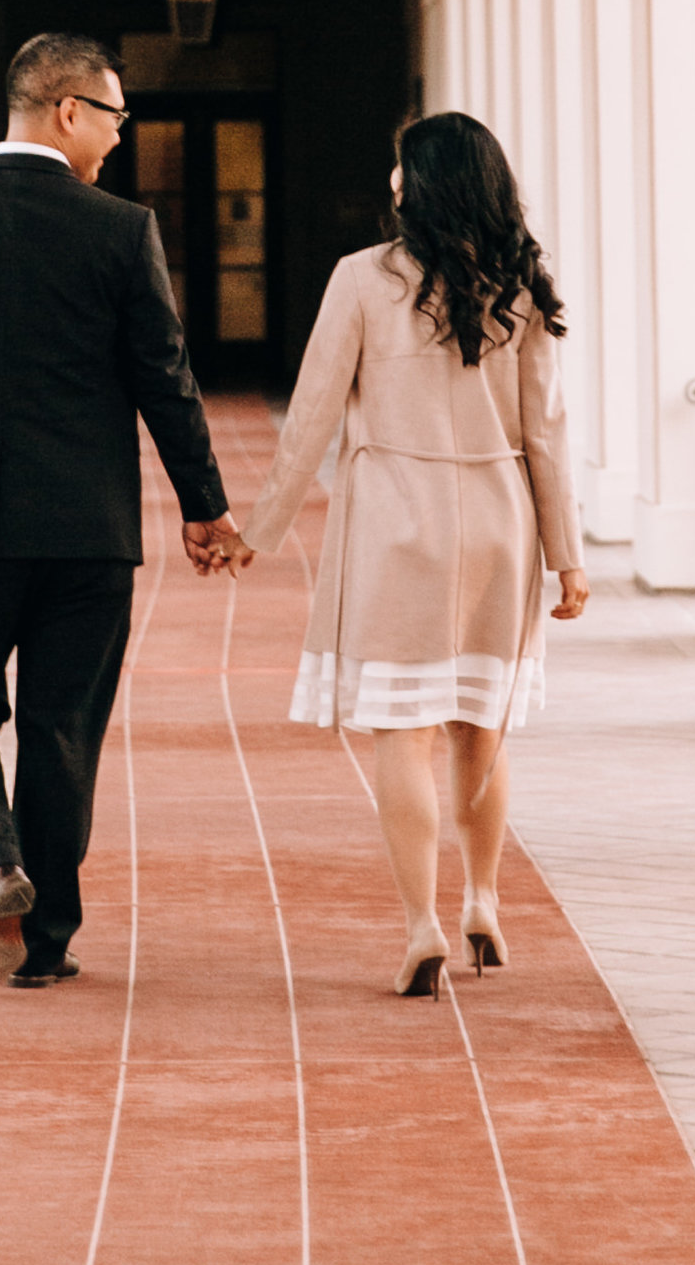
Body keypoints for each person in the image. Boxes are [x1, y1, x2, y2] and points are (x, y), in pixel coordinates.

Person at [0, 30, 250, 986]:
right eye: (116, 116)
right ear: (69, 110)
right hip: (87, 530)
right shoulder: (120, 231)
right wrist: (204, 505)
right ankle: (45, 944)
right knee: (61, 728)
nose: (121, 137)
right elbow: (166, 377)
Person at [237, 111, 589, 998]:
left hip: (399, 527)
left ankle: (420, 924)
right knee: (482, 724)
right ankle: (482, 900)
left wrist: (260, 529)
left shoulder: (362, 279)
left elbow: (313, 409)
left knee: (404, 730)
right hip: (503, 524)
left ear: (416, 183)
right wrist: (568, 558)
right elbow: (546, 434)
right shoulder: (521, 288)